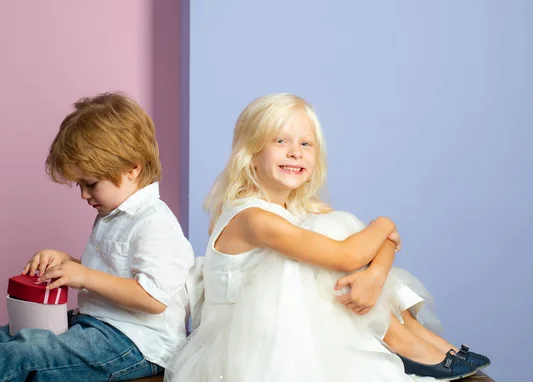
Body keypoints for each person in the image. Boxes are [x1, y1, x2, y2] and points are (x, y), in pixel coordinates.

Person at [167, 93, 489, 381]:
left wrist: (374, 275)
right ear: (251, 153)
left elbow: (377, 243)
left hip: (293, 324)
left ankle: (414, 335)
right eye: (280, 141)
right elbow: (350, 255)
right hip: (251, 339)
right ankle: (403, 341)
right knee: (333, 235)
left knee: (339, 223)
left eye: (305, 144)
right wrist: (385, 223)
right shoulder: (252, 218)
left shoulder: (301, 209)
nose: (295, 153)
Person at [0, 92, 195, 381]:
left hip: (136, 343)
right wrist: (68, 264)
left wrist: (83, 275)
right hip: (99, 325)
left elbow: (153, 298)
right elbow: (114, 272)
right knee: (4, 337)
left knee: (25, 354)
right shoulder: (113, 214)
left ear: (133, 168)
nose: (84, 194)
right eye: (80, 185)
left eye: (91, 184)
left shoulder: (155, 222)